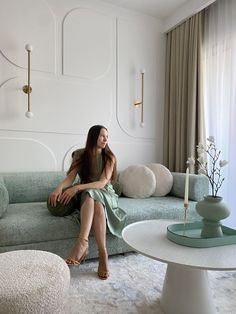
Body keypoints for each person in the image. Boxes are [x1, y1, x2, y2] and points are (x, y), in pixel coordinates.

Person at [48, 125, 127, 280]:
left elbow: (103, 182)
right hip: (87, 195)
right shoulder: (79, 155)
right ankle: (102, 255)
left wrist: (77, 188)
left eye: (107, 136)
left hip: (104, 192)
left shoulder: (110, 157)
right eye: (102, 136)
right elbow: (70, 178)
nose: (106, 139)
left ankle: (83, 244)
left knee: (93, 195)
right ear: (93, 137)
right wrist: (59, 188)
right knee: (93, 199)